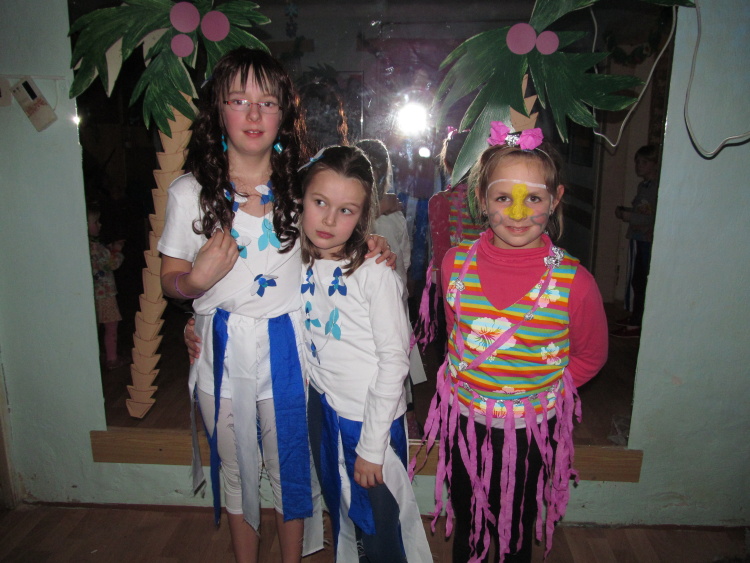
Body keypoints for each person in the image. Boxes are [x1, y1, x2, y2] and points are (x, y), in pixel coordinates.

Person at [161, 48, 394, 563]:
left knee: (292, 470)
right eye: (238, 100)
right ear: (218, 108)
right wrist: (194, 282)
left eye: (266, 102)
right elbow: (170, 281)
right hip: (219, 354)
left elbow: (335, 233)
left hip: (290, 352)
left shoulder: (301, 188)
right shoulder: (189, 193)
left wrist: (370, 243)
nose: (253, 114)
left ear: (284, 112)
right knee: (236, 471)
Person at [415, 124, 608, 563]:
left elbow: (591, 355)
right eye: (503, 197)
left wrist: (539, 395)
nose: (518, 212)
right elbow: (456, 335)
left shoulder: (574, 282)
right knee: (468, 519)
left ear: (555, 200)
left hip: (530, 431)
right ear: (481, 200)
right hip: (466, 423)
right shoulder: (455, 265)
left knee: (516, 524)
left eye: (534, 199)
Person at [297, 145, 432, 562]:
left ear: (363, 215)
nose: (328, 220)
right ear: (301, 199)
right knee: (343, 512)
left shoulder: (374, 273)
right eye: (320, 202)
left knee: (380, 528)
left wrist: (372, 447)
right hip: (324, 409)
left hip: (369, 420)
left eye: (346, 210)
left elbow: (394, 361)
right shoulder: (296, 260)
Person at [611, 144, 660, 338]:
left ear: (654, 164)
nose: (639, 166)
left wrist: (628, 216)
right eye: (637, 162)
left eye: (644, 162)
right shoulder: (644, 186)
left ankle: (637, 323)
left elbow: (651, 217)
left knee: (641, 281)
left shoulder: (656, 188)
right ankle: (635, 316)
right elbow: (642, 210)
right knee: (637, 279)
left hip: (646, 239)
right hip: (639, 238)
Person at [87, 201, 127, 370]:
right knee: (111, 326)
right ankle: (112, 358)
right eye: (95, 222)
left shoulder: (89, 246)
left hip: (93, 295)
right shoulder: (95, 248)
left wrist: (109, 249)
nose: (100, 225)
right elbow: (112, 263)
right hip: (105, 294)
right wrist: (117, 250)